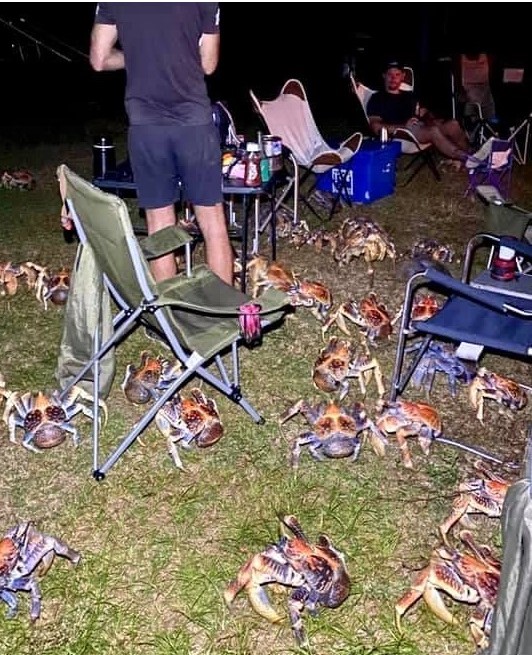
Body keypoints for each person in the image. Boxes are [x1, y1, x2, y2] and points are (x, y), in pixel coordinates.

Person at [89, 3, 234, 285]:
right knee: (213, 223)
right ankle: (223, 314)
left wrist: (137, 56)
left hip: (146, 125)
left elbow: (99, 59)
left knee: (159, 223)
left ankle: (166, 318)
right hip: (193, 124)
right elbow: (208, 64)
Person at [366, 61, 473, 165]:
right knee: (433, 131)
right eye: (390, 74)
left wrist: (428, 116)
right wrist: (404, 126)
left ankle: (470, 154)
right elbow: (375, 127)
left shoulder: (409, 96)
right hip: (402, 133)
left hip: (420, 127)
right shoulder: (377, 98)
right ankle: (468, 158)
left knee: (452, 125)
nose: (393, 78)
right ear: (384, 76)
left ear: (403, 76)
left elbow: (423, 114)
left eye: (397, 74)